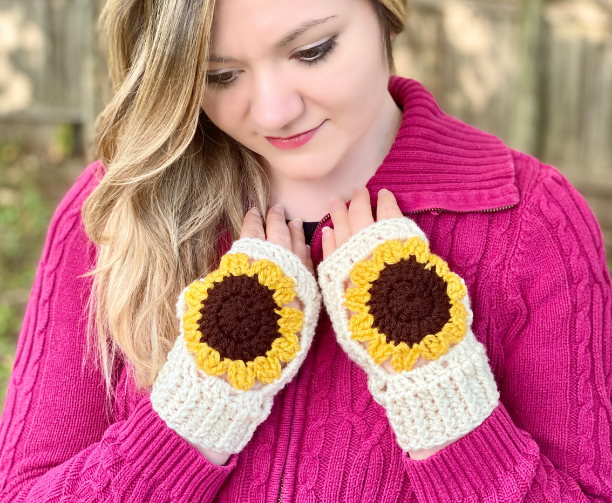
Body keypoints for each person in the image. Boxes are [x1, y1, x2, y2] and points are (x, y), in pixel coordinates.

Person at [1, 0, 611, 500]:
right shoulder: (123, 210)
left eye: (312, 50)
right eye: (220, 75)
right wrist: (202, 406)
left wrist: (439, 391)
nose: (275, 111)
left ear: (384, 14)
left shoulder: (531, 220)